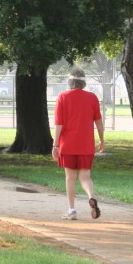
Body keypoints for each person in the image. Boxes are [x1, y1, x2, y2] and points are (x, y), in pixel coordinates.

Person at [52, 68, 105, 220]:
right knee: (85, 177)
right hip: (86, 144)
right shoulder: (92, 98)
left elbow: (59, 123)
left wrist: (55, 145)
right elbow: (99, 122)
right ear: (84, 82)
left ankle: (71, 209)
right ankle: (91, 196)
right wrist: (101, 140)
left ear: (70, 82)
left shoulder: (63, 96)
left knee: (70, 177)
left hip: (67, 144)